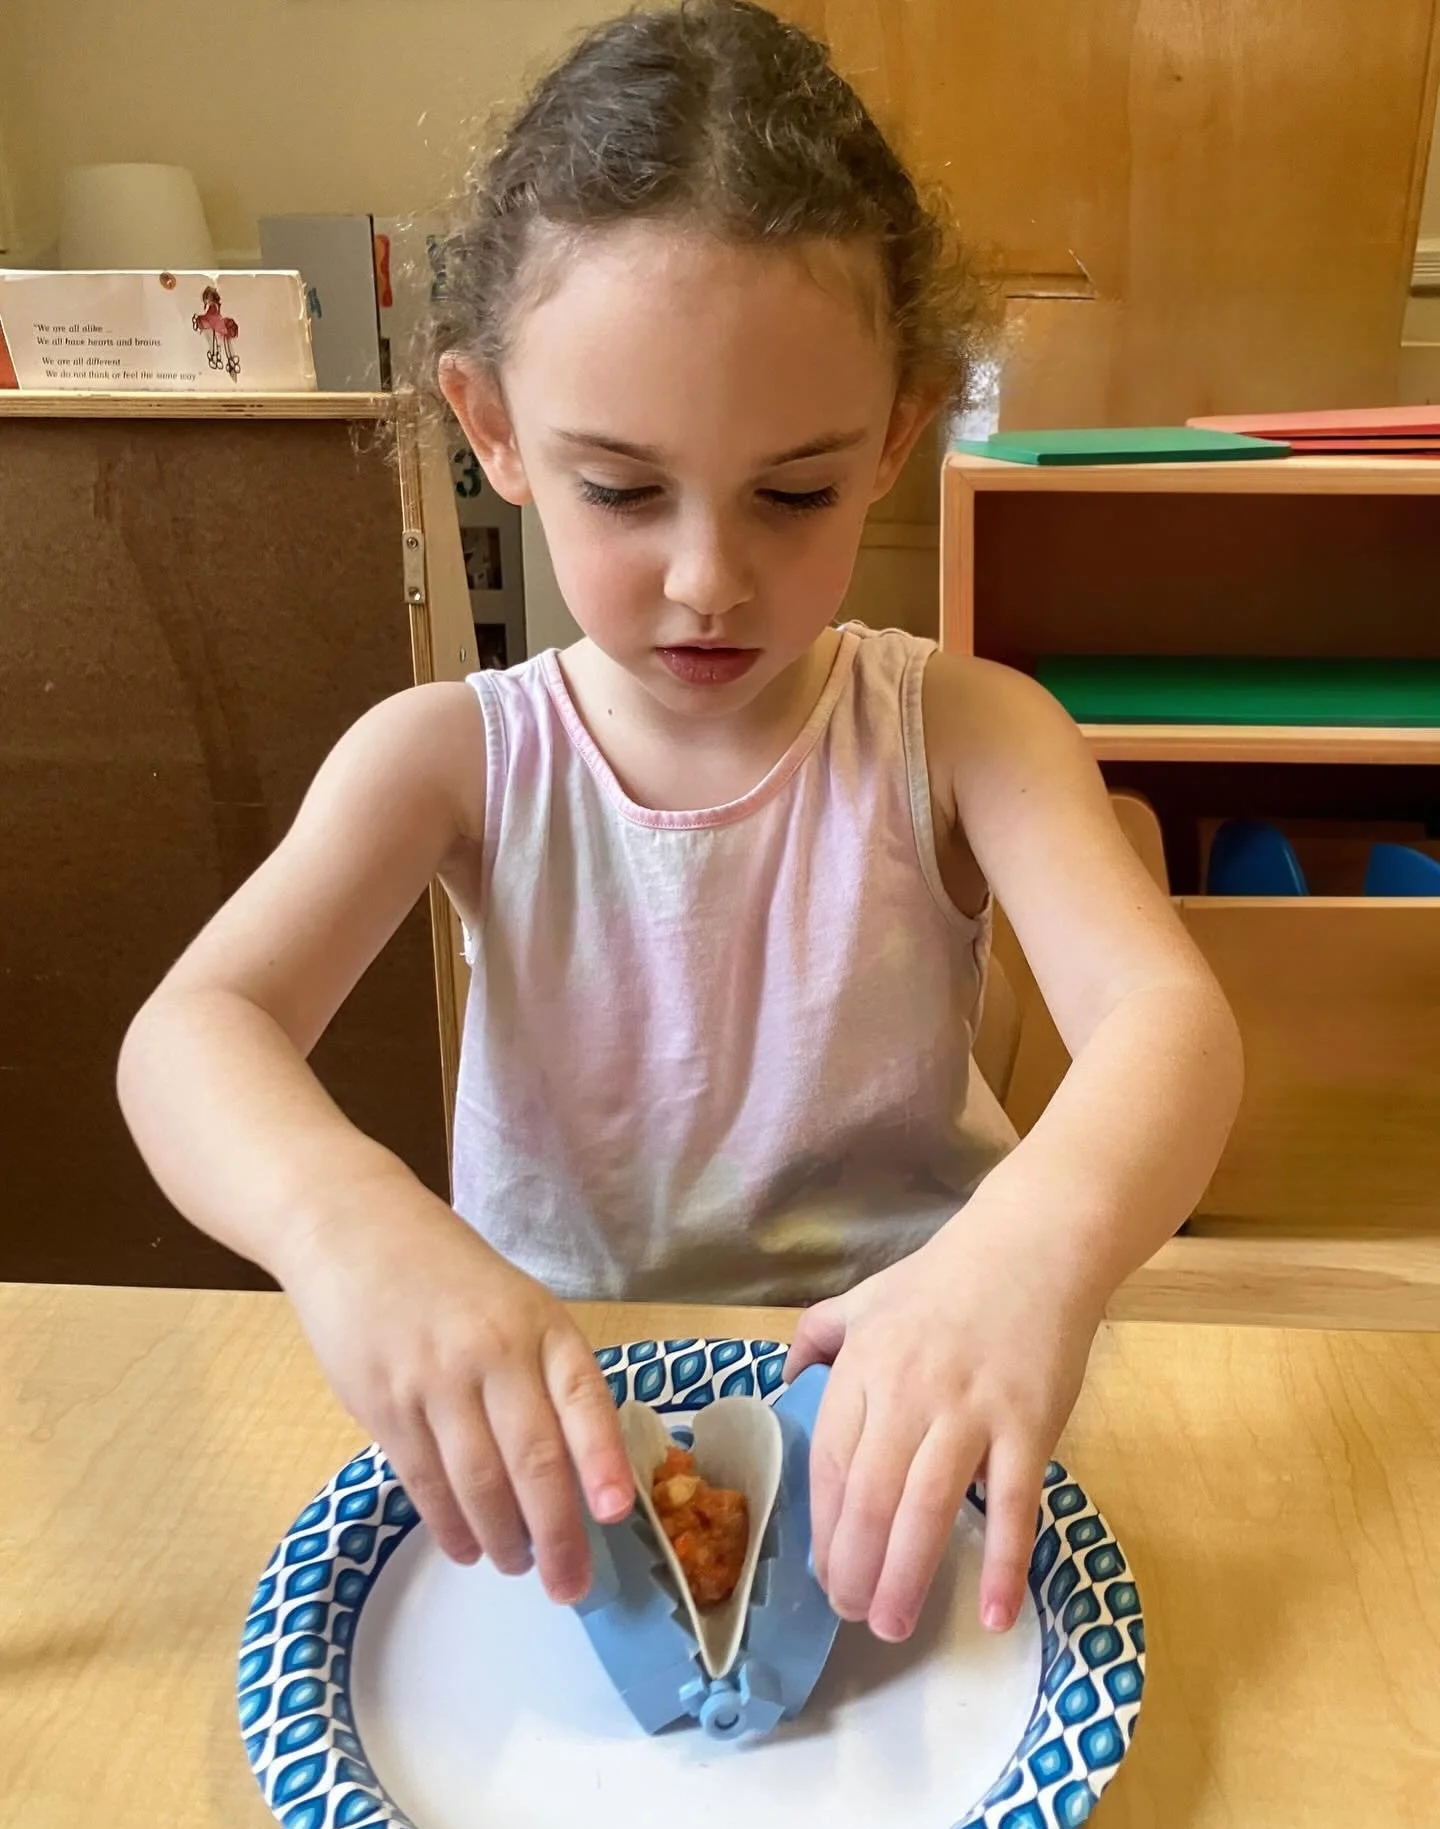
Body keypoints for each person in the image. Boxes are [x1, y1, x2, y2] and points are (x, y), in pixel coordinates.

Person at [119, 0, 1242, 1650]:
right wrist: (346, 1228)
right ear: (494, 426)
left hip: (903, 1393)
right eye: (625, 490)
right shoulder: (448, 756)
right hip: (559, 1422)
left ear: (897, 433)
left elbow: (1171, 1027)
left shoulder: (969, 732)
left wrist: (1035, 1256)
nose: (709, 577)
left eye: (793, 490)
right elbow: (191, 1031)